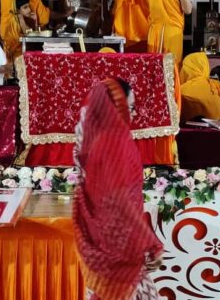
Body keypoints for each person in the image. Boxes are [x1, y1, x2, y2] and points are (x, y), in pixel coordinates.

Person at [73, 78, 162, 300]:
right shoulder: (114, 143)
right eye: (130, 108)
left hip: (98, 238)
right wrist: (150, 242)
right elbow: (119, 200)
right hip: (119, 243)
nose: (134, 114)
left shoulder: (91, 138)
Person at [179, 52, 220, 122]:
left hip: (190, 128)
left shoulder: (182, 91)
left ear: (188, 69)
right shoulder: (215, 85)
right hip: (217, 126)